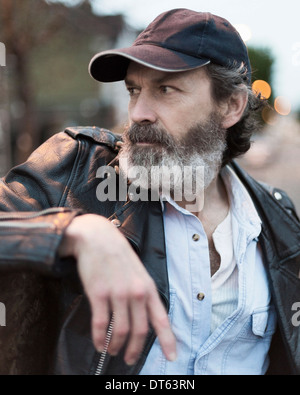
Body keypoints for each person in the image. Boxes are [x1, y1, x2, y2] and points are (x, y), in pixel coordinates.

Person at [0, 8, 300, 375]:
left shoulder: (277, 222)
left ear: (231, 106)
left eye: (165, 89)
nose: (139, 112)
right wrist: (69, 232)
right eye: (134, 90)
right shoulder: (77, 169)